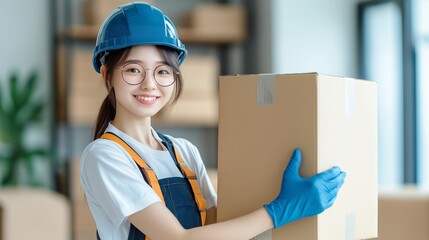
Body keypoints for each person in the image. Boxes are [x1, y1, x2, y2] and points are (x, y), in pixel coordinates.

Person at [80, 2, 346, 240]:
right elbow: (178, 239)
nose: (149, 84)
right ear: (107, 75)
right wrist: (280, 210)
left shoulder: (184, 151)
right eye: (133, 70)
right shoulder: (104, 156)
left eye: (162, 71)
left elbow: (217, 228)